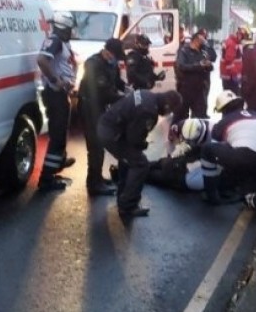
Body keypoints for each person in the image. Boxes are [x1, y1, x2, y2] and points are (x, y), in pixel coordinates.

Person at [97, 89, 182, 218]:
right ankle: (128, 206)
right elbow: (134, 139)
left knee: (128, 159)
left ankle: (123, 197)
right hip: (112, 134)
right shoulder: (149, 112)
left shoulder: (147, 94)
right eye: (170, 111)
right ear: (167, 105)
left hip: (109, 127)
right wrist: (144, 144)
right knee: (140, 164)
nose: (168, 114)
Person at [200, 90, 256, 215]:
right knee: (248, 187)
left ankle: (211, 195)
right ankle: (253, 197)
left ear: (223, 110)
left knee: (207, 150)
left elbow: (215, 151)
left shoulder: (223, 123)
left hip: (243, 156)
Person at [78, 38, 128, 196]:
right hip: (90, 107)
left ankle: (97, 177)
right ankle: (94, 184)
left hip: (100, 107)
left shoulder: (111, 64)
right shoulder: (94, 64)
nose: (116, 60)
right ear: (108, 52)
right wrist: (122, 98)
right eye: (115, 56)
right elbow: (103, 92)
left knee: (100, 144)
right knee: (95, 145)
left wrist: (127, 89)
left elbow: (117, 82)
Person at [35, 10, 78, 192]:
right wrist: (56, 80)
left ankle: (57, 164)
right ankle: (46, 179)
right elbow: (41, 60)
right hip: (55, 94)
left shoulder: (62, 42)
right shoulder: (55, 41)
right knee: (57, 135)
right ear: (62, 28)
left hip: (61, 93)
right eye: (69, 29)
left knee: (61, 132)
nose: (71, 32)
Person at [174, 31, 214, 120]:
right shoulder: (184, 51)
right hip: (186, 88)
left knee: (200, 117)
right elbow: (182, 66)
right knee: (181, 115)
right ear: (196, 41)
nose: (203, 44)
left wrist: (208, 65)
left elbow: (212, 61)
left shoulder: (203, 52)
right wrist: (199, 65)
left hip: (200, 89)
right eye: (201, 41)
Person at [220, 27, 247, 92]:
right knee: (233, 95)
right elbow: (229, 60)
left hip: (230, 75)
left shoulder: (232, 42)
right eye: (242, 37)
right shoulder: (232, 43)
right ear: (238, 35)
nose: (242, 39)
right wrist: (236, 75)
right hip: (231, 76)